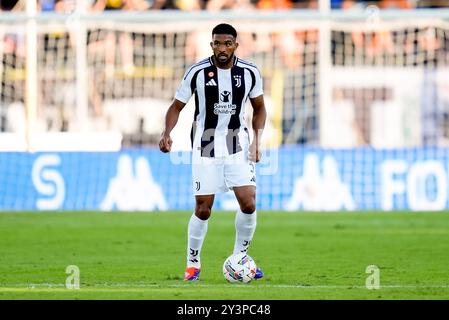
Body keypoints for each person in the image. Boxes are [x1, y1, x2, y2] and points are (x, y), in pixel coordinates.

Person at [159, 23, 267, 281]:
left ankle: (240, 257)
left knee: (249, 203)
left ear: (235, 46)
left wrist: (257, 141)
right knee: (203, 208)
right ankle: (192, 263)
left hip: (236, 141)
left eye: (227, 43)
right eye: (217, 43)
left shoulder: (250, 72)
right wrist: (166, 133)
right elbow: (176, 107)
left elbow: (260, 108)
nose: (222, 48)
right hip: (205, 143)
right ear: (211, 45)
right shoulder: (197, 72)